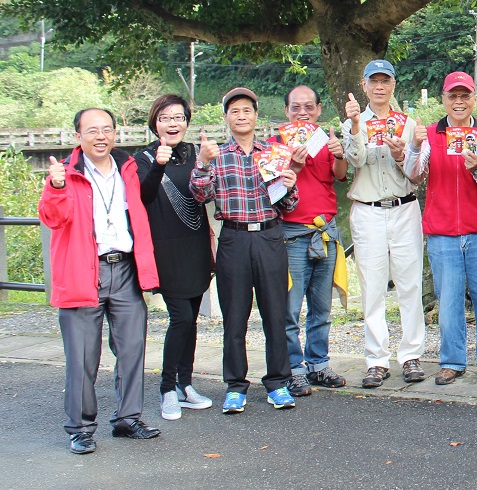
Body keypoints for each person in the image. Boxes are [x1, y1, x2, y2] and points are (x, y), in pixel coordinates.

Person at [40, 108, 161, 454]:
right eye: (92, 130)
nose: (100, 136)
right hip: (83, 271)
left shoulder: (129, 168)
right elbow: (52, 217)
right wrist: (56, 186)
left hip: (124, 269)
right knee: (81, 357)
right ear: (78, 136)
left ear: (115, 133)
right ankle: (80, 428)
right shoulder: (66, 174)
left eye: (107, 129)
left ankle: (128, 418)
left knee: (132, 349)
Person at [191, 87, 300, 414]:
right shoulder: (218, 156)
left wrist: (291, 186)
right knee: (235, 318)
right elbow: (201, 195)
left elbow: (288, 205)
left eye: (247, 111)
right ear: (226, 117)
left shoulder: (273, 153)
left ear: (256, 116)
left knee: (276, 315)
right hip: (234, 239)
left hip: (268, 236)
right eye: (235, 111)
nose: (241, 116)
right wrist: (202, 163)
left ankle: (278, 383)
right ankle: (236, 386)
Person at [405, 71, 477, 385]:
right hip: (442, 230)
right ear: (444, 99)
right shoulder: (433, 134)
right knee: (448, 301)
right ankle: (452, 361)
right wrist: (414, 144)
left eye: (465, 95)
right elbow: (414, 175)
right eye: (453, 95)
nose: (459, 101)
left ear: (474, 99)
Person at [341, 60, 427, 388]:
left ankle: (411, 354)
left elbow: (419, 173)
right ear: (363, 85)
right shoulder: (354, 122)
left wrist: (403, 154)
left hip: (405, 208)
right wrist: (353, 125)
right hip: (368, 210)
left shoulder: (408, 124)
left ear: (393, 85)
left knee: (410, 283)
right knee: (373, 287)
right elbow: (355, 161)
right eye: (373, 81)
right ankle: (376, 359)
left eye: (385, 81)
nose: (379, 87)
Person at [133, 95, 215, 420]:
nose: (173, 123)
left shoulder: (196, 153)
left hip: (195, 246)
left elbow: (208, 192)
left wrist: (209, 162)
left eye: (178, 117)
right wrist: (159, 164)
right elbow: (144, 195)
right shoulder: (143, 158)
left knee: (191, 321)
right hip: (165, 249)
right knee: (180, 318)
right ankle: (167, 389)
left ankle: (186, 385)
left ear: (186, 122)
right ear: (155, 123)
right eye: (166, 118)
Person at [275, 85, 348, 396]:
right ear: (287, 111)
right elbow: (271, 192)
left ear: (318, 109)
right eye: (295, 107)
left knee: (321, 306)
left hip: (325, 230)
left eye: (308, 106)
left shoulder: (325, 139)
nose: (302, 112)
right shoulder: (277, 143)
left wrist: (341, 154)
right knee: (290, 307)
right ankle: (293, 368)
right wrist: (293, 166)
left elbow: (340, 175)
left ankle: (318, 363)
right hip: (291, 232)